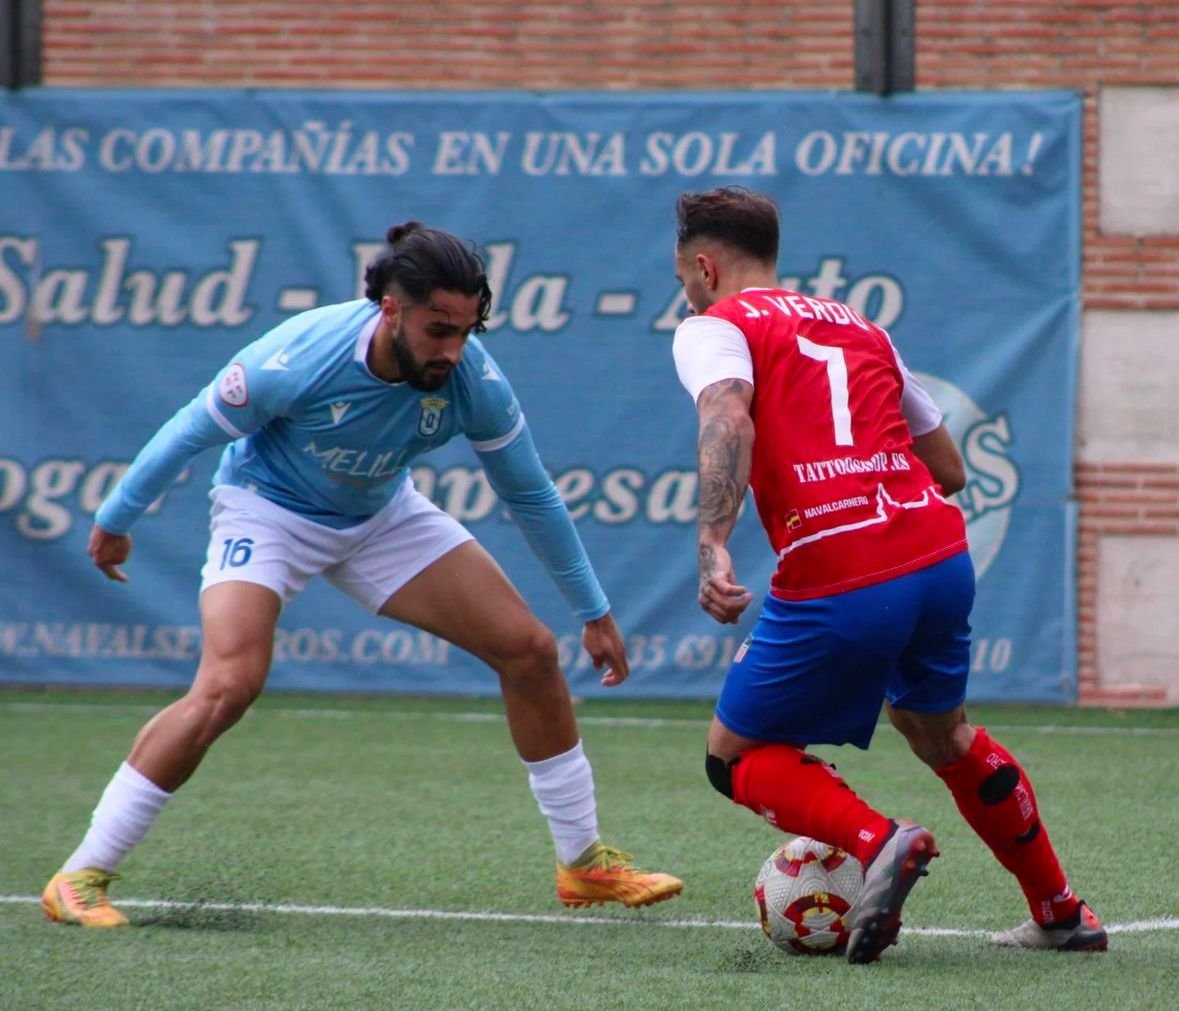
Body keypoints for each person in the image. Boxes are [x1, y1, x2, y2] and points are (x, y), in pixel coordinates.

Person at [42, 221, 682, 928]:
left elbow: (529, 494)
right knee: (228, 684)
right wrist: (117, 518)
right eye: (438, 329)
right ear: (389, 310)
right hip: (267, 513)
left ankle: (582, 863)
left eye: (467, 329)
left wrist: (591, 610)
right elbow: (191, 428)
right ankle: (81, 872)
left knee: (528, 651)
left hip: (381, 515)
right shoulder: (296, 361)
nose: (453, 349)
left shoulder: (473, 380)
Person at [669, 186, 1106, 963]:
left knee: (732, 755)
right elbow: (951, 469)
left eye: (683, 277)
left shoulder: (713, 326)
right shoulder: (861, 326)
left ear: (703, 266)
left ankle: (877, 841)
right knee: (942, 733)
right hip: (938, 552)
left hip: (841, 565)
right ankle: (1060, 910)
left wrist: (712, 539)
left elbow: (726, 412)